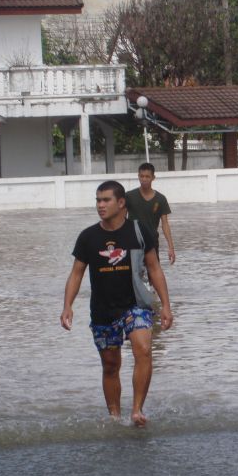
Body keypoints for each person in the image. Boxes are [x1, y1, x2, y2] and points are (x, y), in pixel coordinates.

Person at [60, 180, 174, 427]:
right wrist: (67, 305)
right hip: (103, 309)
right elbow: (77, 273)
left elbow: (154, 269)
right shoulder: (88, 237)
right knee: (111, 365)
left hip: (136, 304)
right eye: (98, 200)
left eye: (106, 200)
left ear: (121, 203)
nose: (100, 205)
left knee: (143, 349)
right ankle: (114, 417)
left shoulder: (139, 231)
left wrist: (165, 305)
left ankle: (137, 410)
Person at [125, 163, 176, 265]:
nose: (144, 179)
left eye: (147, 176)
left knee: (153, 274)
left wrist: (171, 247)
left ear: (153, 178)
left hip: (152, 243)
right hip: (132, 243)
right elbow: (121, 219)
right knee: (133, 275)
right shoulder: (129, 196)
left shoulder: (160, 199)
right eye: (141, 176)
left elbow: (165, 224)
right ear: (138, 176)